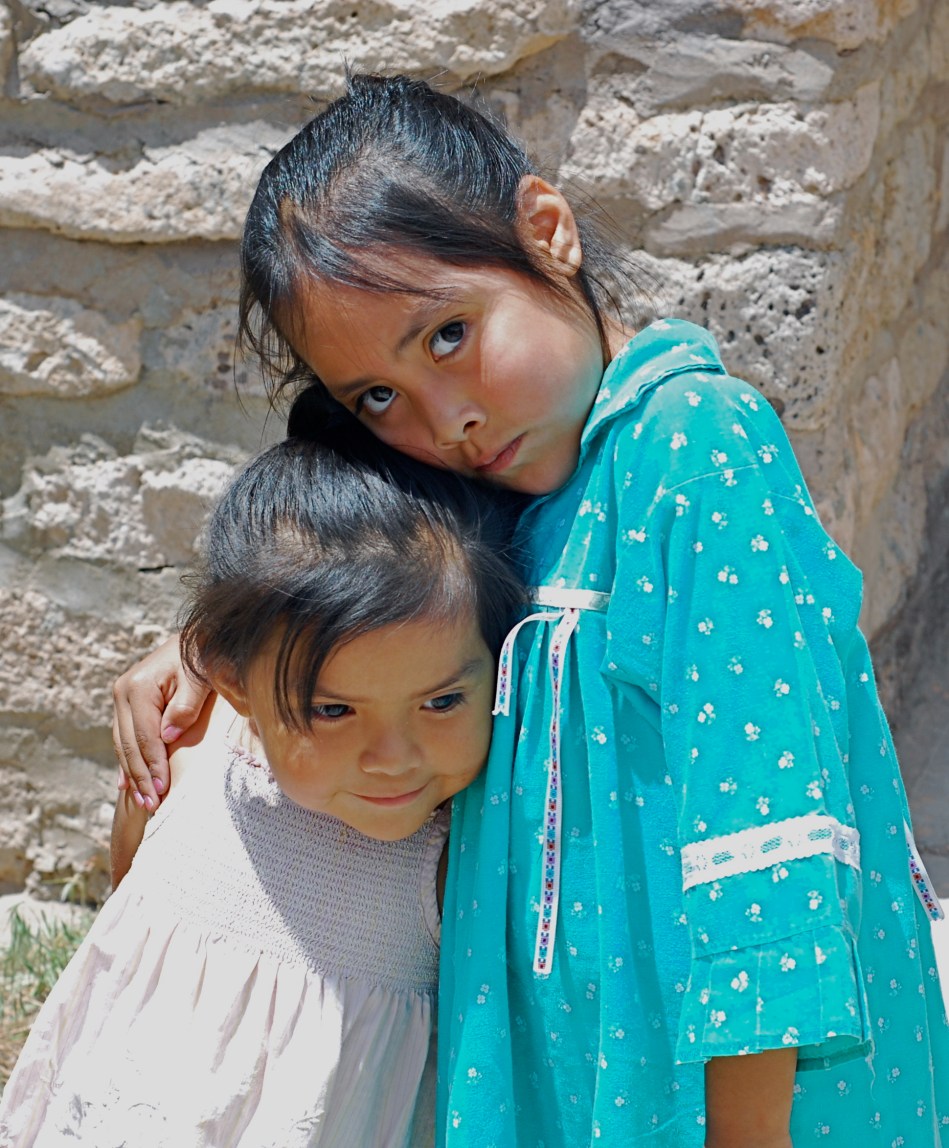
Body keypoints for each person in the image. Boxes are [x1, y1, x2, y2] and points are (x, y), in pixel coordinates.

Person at [112, 74, 949, 1147]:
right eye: (377, 397)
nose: (443, 415)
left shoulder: (693, 449)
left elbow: (767, 844)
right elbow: (348, 593)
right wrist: (201, 648)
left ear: (546, 230)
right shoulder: (507, 506)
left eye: (449, 333)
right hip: (579, 1081)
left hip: (752, 1104)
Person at [0, 420, 525, 1148]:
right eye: (332, 710)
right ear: (231, 681)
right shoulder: (187, 755)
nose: (392, 757)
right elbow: (126, 912)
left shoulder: (454, 859)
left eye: (440, 702)